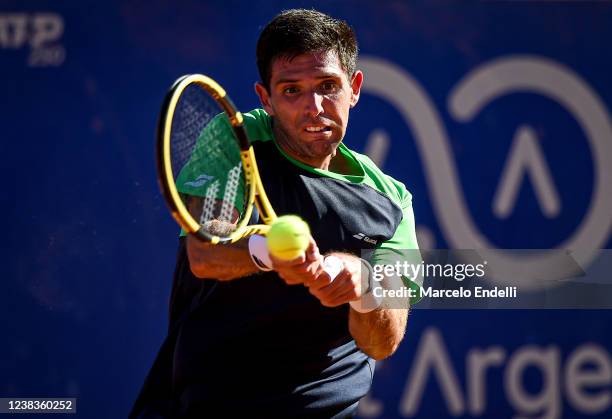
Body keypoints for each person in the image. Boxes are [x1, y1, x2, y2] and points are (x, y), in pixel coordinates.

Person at [131, 8, 421, 418]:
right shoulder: (236, 138)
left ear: (354, 87)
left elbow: (382, 342)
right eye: (291, 90)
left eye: (327, 86)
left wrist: (362, 283)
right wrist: (265, 250)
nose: (314, 106)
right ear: (265, 97)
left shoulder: (392, 201)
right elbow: (205, 250)